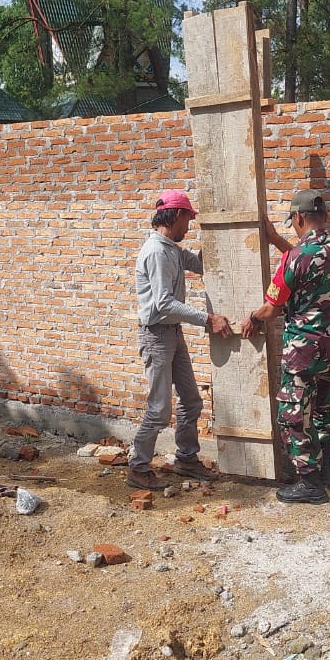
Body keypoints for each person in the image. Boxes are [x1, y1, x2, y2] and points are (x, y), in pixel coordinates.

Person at [240, 189, 330, 504]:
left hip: (305, 350)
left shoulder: (294, 258)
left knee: (293, 414)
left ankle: (310, 483)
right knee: (321, 410)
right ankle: (324, 473)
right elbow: (309, 263)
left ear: (299, 217)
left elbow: (271, 308)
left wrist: (252, 318)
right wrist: (277, 240)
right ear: (324, 216)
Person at [127, 189, 232, 490]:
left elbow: (199, 264)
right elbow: (163, 304)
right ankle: (138, 467)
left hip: (172, 333)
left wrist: (219, 237)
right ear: (175, 215)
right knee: (159, 409)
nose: (189, 226)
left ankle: (186, 459)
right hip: (157, 336)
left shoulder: (171, 248)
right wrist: (208, 319)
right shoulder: (157, 252)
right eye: (188, 219)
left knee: (191, 400)